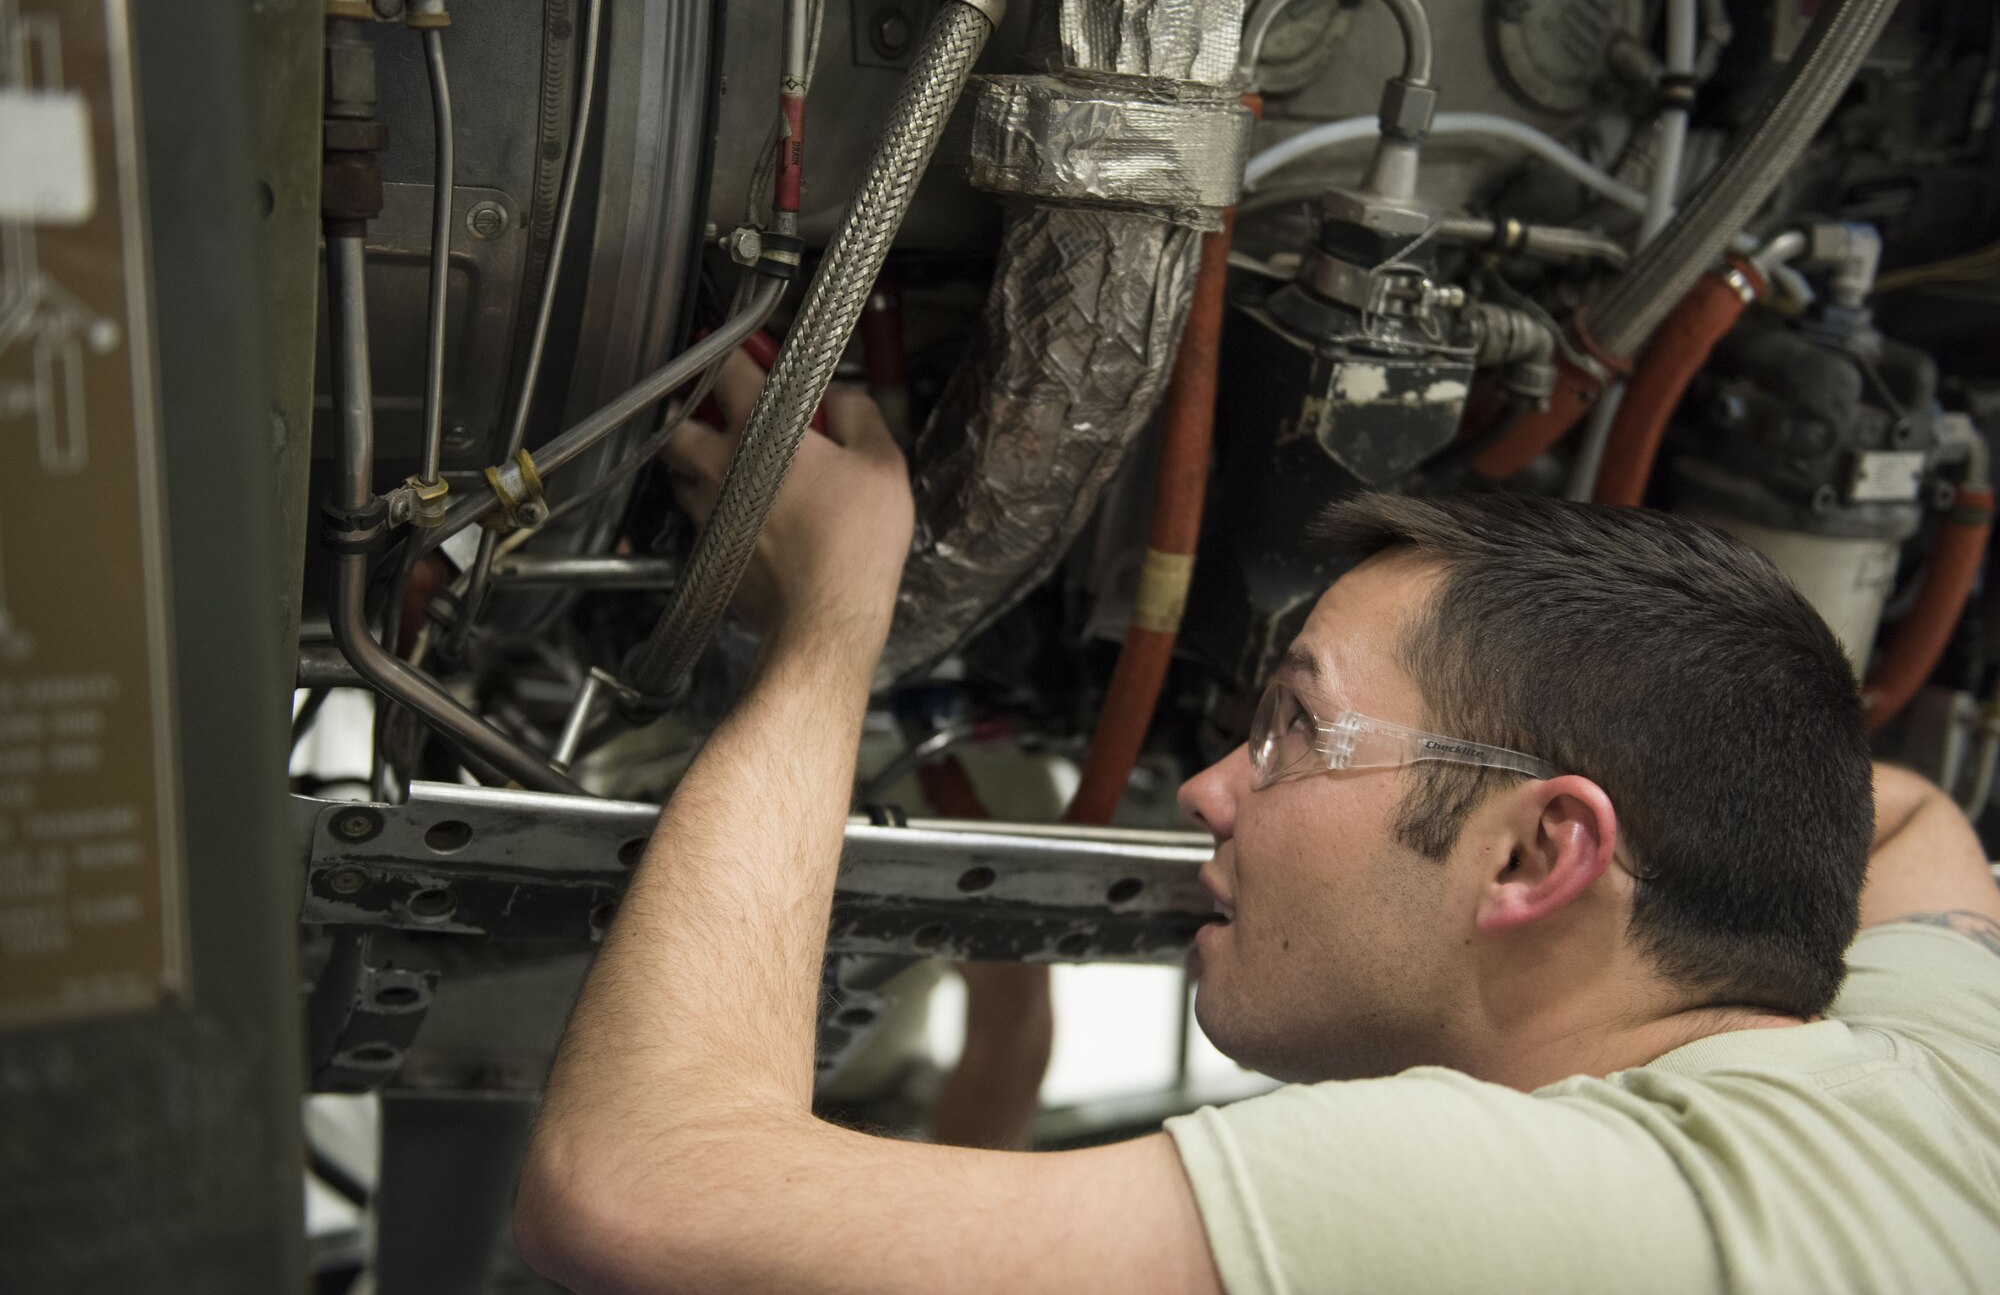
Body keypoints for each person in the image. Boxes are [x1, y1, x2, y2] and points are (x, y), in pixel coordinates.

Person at [515, 354, 2000, 1293]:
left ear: (1540, 855)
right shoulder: (1950, 1064)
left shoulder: (1531, 1210)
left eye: (1294, 728)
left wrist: (833, 613)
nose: (1215, 786)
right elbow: (1917, 824)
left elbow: (638, 1191)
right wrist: (1674, 781)